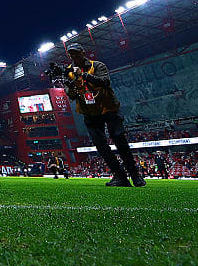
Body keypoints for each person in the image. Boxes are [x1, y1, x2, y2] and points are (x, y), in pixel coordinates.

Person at [62, 44, 145, 187]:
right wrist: (71, 85)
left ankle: (135, 175)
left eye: (76, 53)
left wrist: (83, 75)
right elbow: (71, 95)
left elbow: (105, 82)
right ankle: (120, 177)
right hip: (89, 113)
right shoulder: (68, 72)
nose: (74, 56)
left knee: (120, 141)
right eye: (71, 54)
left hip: (109, 108)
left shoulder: (97, 65)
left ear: (83, 53)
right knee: (100, 146)